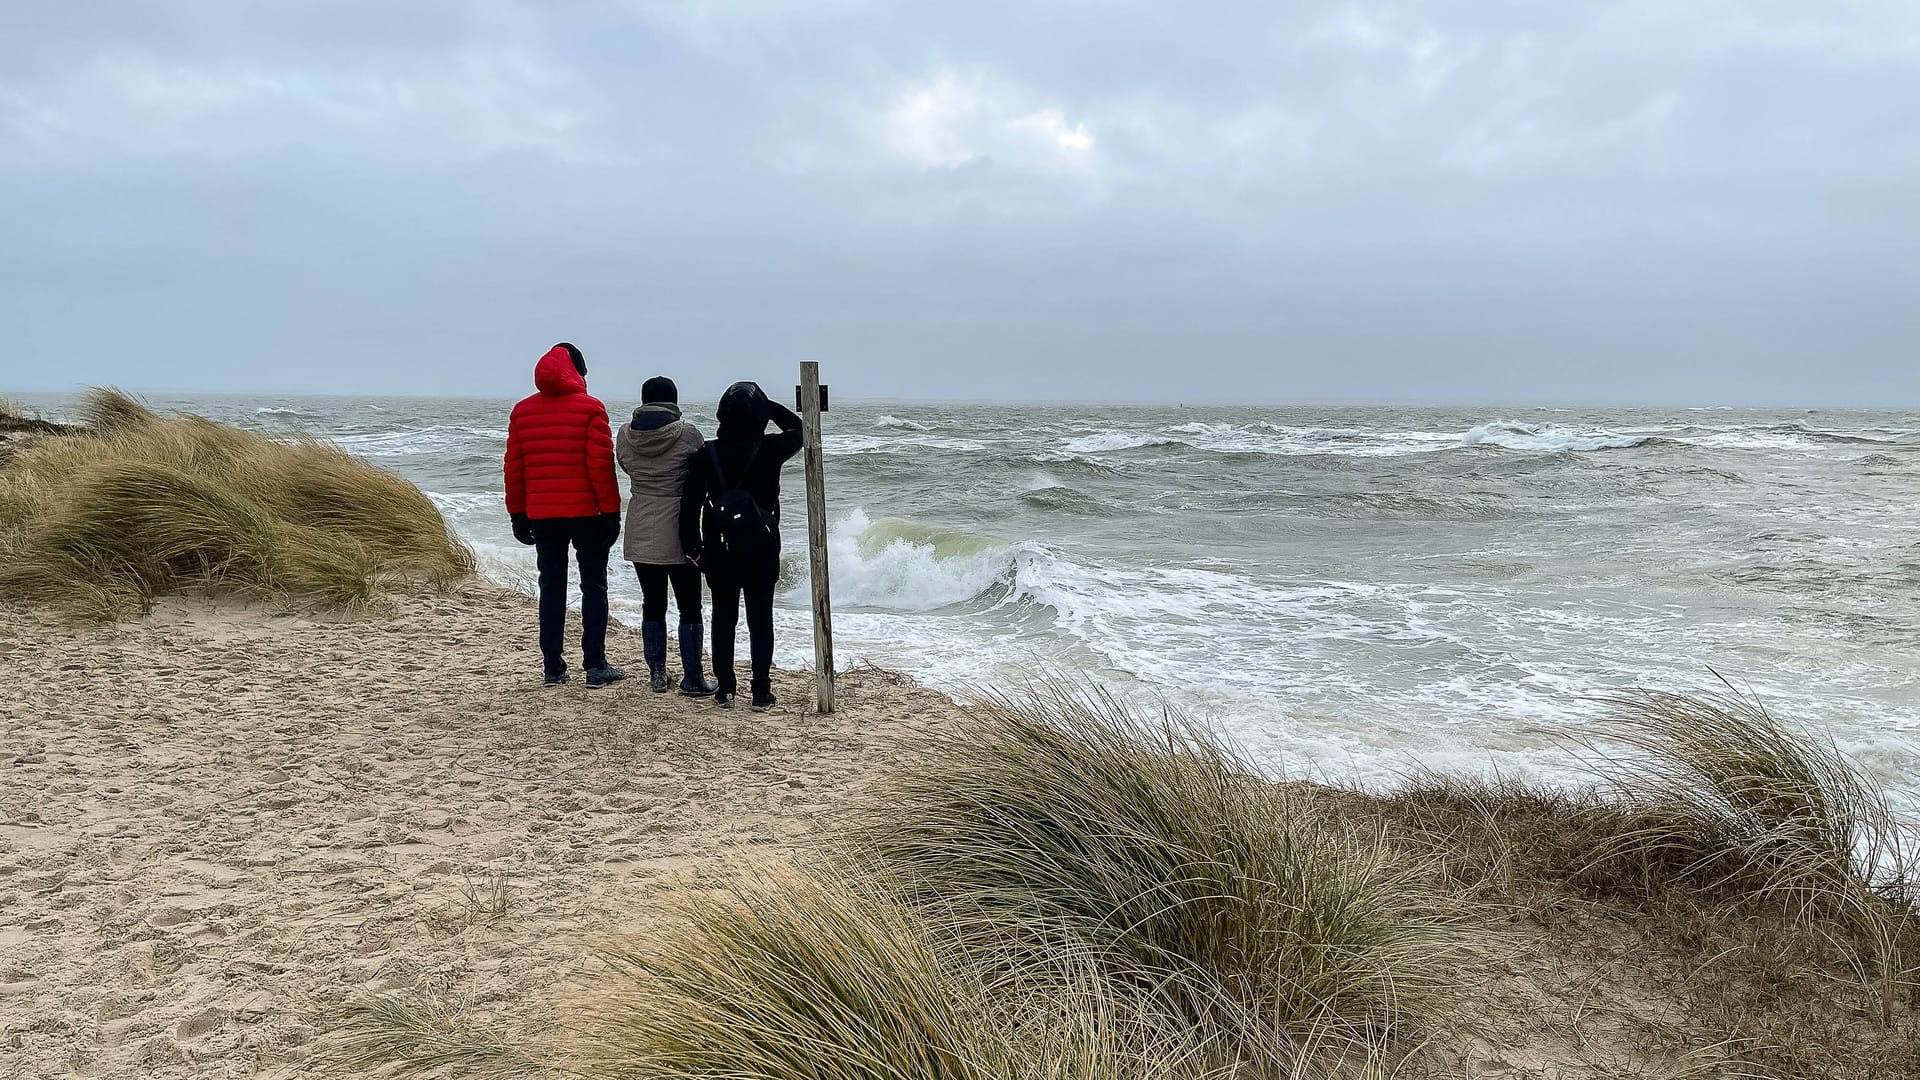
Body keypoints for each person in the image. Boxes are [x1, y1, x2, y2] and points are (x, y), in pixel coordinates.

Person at [504, 342, 626, 688]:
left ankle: (553, 667)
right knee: (594, 585)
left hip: (543, 515)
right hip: (587, 513)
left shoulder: (522, 412)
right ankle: (595, 665)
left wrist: (517, 513)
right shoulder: (590, 409)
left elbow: (514, 468)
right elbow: (600, 467)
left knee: (551, 587)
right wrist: (612, 512)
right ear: (579, 372)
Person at [680, 382, 803, 709]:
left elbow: (690, 504)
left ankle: (725, 689)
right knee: (760, 618)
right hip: (762, 546)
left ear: (722, 415)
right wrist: (770, 407)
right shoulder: (770, 448)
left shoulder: (707, 454)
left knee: (724, 617)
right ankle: (761, 690)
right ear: (760, 417)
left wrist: (692, 547)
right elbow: (801, 430)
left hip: (719, 549)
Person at [615, 375, 716, 696]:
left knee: (652, 603)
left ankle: (657, 674)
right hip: (679, 524)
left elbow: (626, 467)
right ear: (674, 400)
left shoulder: (624, 436)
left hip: (641, 520)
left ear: (643, 400)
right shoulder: (688, 435)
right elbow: (701, 471)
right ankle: (693, 677)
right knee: (689, 605)